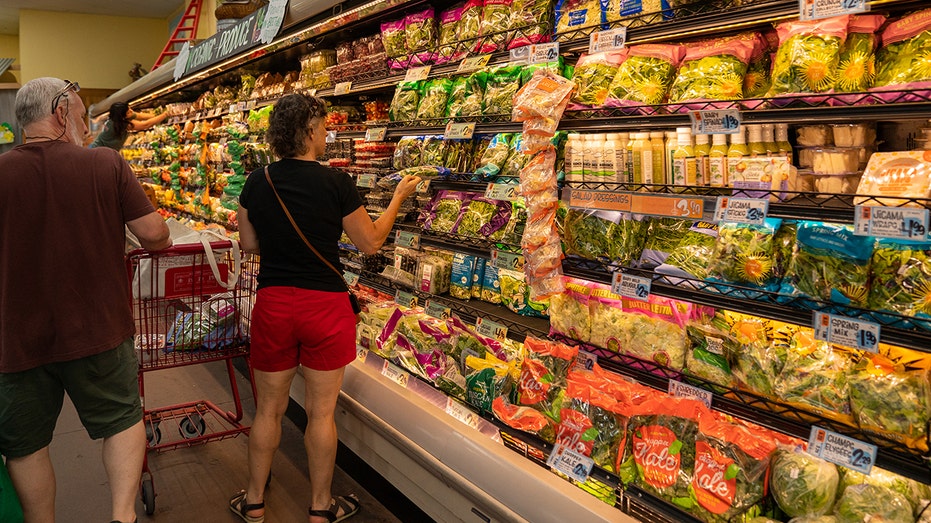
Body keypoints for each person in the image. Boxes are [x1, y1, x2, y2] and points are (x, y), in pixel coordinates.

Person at [231, 93, 420, 523]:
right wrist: (397, 199)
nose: (326, 133)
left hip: (275, 303)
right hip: (325, 307)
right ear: (308, 131)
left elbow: (248, 244)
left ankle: (255, 502)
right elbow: (370, 242)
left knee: (269, 410)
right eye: (322, 125)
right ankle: (320, 507)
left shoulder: (257, 182)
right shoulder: (336, 183)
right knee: (321, 413)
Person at [0, 77, 172, 523]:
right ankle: (121, 516)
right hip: (98, 328)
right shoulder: (106, 165)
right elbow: (155, 236)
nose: (85, 128)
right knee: (120, 421)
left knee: (25, 445)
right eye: (80, 117)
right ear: (60, 113)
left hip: (17, 338)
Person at [88, 101, 168, 150]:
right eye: (128, 111)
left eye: (130, 108)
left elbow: (139, 116)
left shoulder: (117, 117)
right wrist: (166, 114)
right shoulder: (120, 124)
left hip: (100, 149)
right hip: (98, 151)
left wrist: (158, 115)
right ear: (123, 116)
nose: (131, 111)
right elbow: (145, 125)